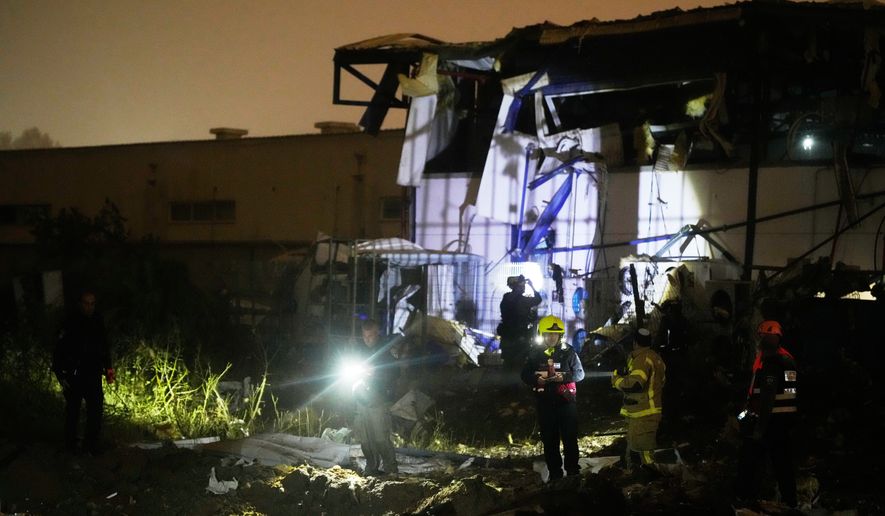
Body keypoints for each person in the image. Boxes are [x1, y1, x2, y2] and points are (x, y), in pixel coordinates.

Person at [735, 320, 798, 508]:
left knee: (750, 461)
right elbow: (789, 393)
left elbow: (767, 398)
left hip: (770, 421)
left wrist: (759, 429)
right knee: (783, 463)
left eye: (761, 336)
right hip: (784, 420)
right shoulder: (788, 360)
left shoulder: (772, 363)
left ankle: (744, 498)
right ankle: (790, 501)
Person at [521, 315, 585, 481]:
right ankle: (555, 475)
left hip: (566, 403)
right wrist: (536, 379)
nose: (552, 337)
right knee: (549, 441)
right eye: (548, 334)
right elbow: (524, 375)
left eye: (555, 334)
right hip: (545, 404)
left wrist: (564, 377)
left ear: (560, 335)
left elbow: (580, 374)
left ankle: (573, 472)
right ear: (542, 335)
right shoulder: (535, 354)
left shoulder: (568, 352)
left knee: (570, 438)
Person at [52, 290, 114, 454]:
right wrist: (60, 374)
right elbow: (59, 349)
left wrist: (109, 370)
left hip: (93, 374)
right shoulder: (71, 321)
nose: (89, 307)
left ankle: (91, 444)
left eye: (92, 303)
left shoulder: (97, 320)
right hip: (74, 374)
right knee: (73, 410)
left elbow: (104, 347)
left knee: (96, 409)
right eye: (86, 303)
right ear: (80, 304)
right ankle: (71, 445)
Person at [611, 327, 666, 467]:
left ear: (635, 343)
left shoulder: (642, 359)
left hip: (643, 413)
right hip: (646, 412)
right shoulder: (654, 357)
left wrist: (616, 380)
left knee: (643, 452)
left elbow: (635, 384)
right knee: (638, 449)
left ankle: (650, 476)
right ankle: (643, 474)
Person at [352, 319, 400, 476]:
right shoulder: (360, 350)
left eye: (370, 336)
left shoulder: (386, 350)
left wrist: (376, 373)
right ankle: (371, 467)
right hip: (362, 399)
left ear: (377, 333)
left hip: (379, 399)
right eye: (364, 336)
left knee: (380, 438)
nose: (367, 340)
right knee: (365, 440)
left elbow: (395, 372)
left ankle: (390, 469)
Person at [498, 275, 542, 371]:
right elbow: (538, 299)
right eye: (522, 286)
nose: (524, 288)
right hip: (520, 336)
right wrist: (532, 286)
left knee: (507, 366)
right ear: (517, 287)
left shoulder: (506, 297)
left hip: (507, 335)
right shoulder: (523, 300)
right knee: (519, 366)